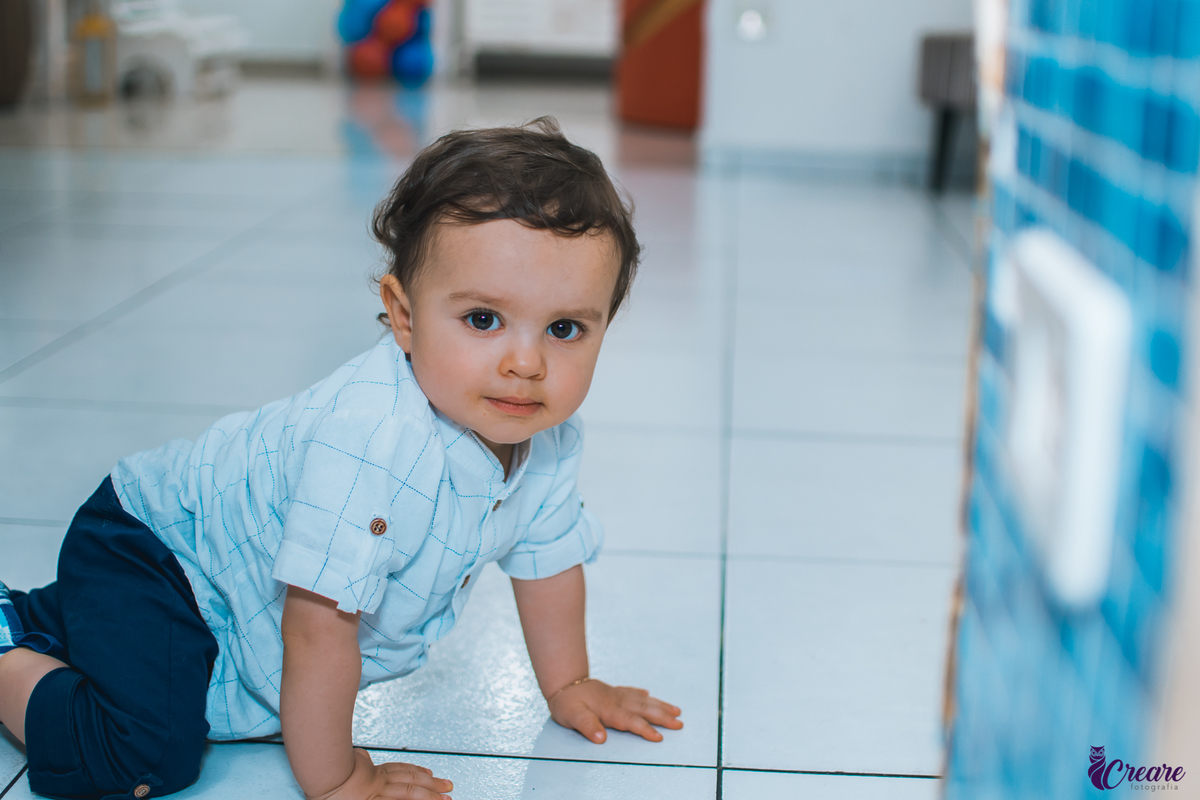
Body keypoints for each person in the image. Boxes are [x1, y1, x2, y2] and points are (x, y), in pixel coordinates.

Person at [0, 117, 683, 800]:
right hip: (151, 554)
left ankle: (56, 621)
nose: (526, 363)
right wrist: (335, 781)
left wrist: (569, 683)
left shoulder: (550, 439)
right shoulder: (371, 441)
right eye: (483, 319)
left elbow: (548, 562)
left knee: (204, 700)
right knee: (145, 754)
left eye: (564, 328)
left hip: (222, 595)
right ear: (404, 316)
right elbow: (317, 628)